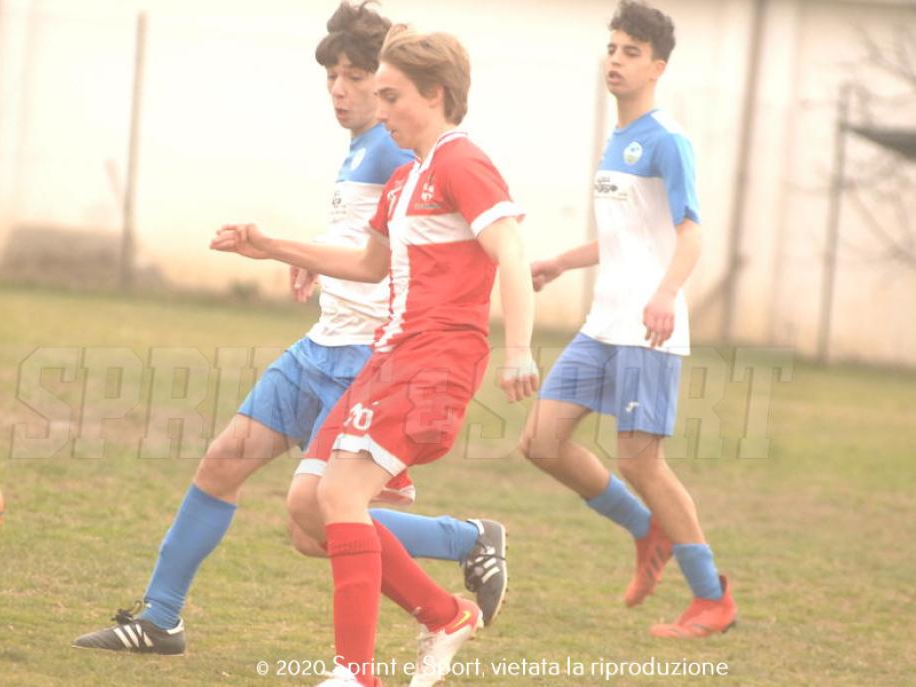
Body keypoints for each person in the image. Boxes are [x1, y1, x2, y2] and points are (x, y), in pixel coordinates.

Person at [71, 2, 508, 657]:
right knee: (223, 463)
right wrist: (305, 255)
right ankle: (161, 617)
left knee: (316, 522)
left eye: (357, 77)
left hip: (368, 356)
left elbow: (419, 241)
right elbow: (368, 240)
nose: (341, 90)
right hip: (320, 346)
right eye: (333, 76)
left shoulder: (400, 143)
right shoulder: (362, 147)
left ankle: (457, 555)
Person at [213, 22, 538, 687]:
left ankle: (355, 673)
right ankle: (445, 614)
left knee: (340, 493)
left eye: (391, 96)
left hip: (435, 359)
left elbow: (510, 249)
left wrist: (519, 350)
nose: (379, 109)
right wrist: (272, 246)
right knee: (309, 506)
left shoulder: (460, 161)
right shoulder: (405, 179)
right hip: (389, 357)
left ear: (435, 93)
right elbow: (367, 263)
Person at [522, 0, 737, 638]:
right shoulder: (617, 140)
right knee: (541, 441)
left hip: (648, 328)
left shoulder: (668, 139)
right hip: (602, 324)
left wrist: (667, 294)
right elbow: (625, 237)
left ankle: (712, 599)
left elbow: (690, 233)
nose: (615, 60)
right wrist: (560, 261)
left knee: (642, 463)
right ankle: (648, 531)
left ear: (657, 67)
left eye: (631, 52)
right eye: (612, 48)